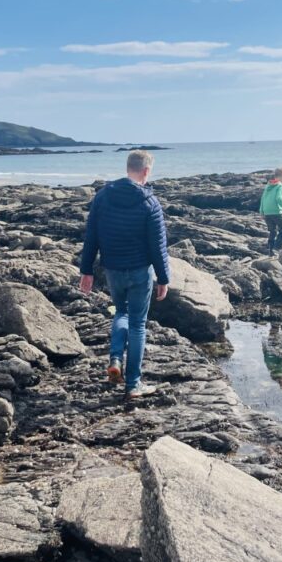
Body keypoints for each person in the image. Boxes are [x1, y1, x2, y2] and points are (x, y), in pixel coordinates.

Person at [79, 150, 170, 399]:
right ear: (146, 171)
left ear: (127, 166)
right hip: (140, 271)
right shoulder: (149, 203)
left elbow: (92, 236)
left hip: (113, 270)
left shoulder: (103, 197)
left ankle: (116, 358)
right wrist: (163, 278)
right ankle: (133, 385)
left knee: (121, 312)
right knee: (138, 324)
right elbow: (157, 246)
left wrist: (86, 270)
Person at [260, 166, 282, 256]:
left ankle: (270, 251)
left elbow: (262, 199)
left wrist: (261, 211)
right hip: (276, 211)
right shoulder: (279, 185)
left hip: (266, 212)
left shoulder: (268, 185)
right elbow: (279, 198)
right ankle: (276, 248)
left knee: (272, 231)